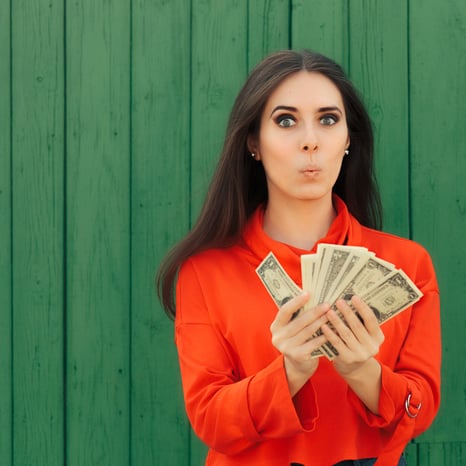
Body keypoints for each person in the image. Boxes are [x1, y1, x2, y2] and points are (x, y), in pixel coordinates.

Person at [156, 49, 441, 466]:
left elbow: (420, 409)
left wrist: (364, 371)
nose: (311, 140)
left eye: (328, 119)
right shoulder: (205, 272)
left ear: (348, 140)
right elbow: (209, 420)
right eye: (285, 120)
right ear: (253, 142)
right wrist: (289, 372)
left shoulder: (408, 264)